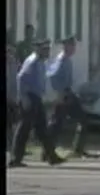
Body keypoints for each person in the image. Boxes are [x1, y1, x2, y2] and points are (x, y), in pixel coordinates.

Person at [9, 39, 65, 167]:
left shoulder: (40, 62)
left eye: (48, 49)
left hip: (36, 98)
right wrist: (23, 98)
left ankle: (51, 156)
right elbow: (21, 78)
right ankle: (15, 159)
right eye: (45, 49)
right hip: (29, 98)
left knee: (42, 129)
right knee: (24, 129)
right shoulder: (33, 61)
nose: (48, 52)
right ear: (38, 50)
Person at [47, 35, 90, 158]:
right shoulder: (61, 60)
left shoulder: (67, 60)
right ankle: (48, 150)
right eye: (72, 46)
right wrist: (59, 92)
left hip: (68, 94)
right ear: (66, 47)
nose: (74, 48)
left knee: (82, 119)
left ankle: (78, 149)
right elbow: (52, 76)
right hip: (63, 95)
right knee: (56, 123)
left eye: (74, 46)